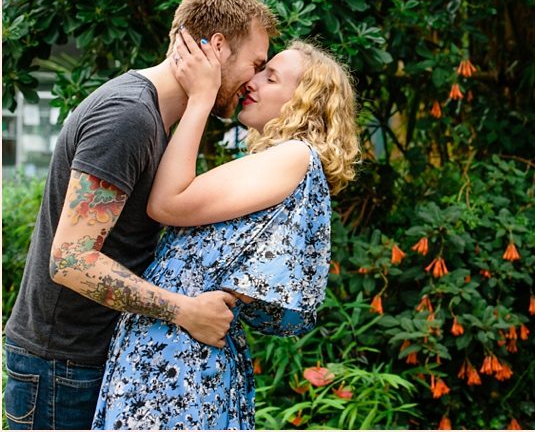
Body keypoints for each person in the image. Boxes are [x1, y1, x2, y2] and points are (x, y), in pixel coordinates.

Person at [3, 0, 279, 430]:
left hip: (85, 359)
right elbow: (70, 261)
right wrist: (184, 310)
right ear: (218, 47)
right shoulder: (128, 116)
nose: (253, 80)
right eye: (256, 64)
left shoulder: (156, 117)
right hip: (62, 367)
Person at [91, 34, 360, 429]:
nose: (252, 82)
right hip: (178, 347)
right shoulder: (278, 161)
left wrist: (201, 100)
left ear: (307, 102)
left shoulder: (294, 156)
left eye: (271, 78)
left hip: (180, 358)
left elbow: (167, 205)